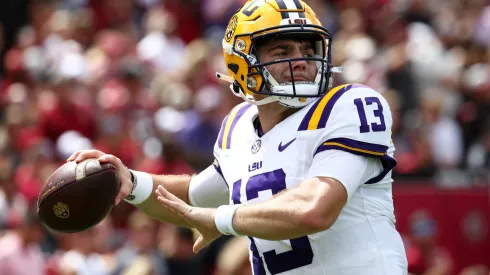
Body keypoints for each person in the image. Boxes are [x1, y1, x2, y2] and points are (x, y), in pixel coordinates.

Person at [67, 0, 408, 274]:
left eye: (307, 48)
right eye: (282, 51)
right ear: (242, 62)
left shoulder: (349, 105)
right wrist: (131, 181)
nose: (301, 60)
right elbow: (197, 197)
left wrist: (223, 219)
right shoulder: (239, 125)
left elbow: (315, 209)